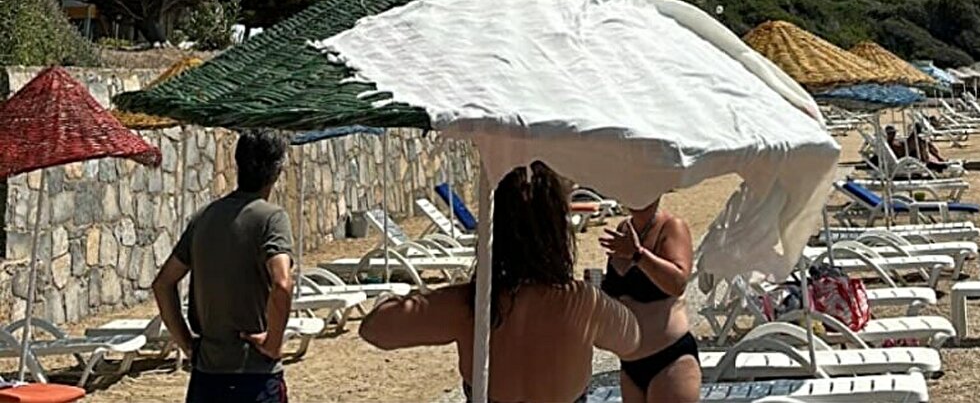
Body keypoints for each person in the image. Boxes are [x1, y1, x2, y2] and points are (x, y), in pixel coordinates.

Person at [361, 161, 643, 403]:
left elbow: (375, 329)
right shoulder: (581, 303)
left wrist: (395, 298)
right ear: (558, 233)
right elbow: (632, 340)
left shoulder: (473, 305)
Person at [153, 128, 294, 403]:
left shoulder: (204, 218)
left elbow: (163, 284)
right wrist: (273, 343)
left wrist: (187, 344)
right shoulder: (272, 219)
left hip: (207, 375)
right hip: (254, 372)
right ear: (277, 171)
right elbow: (282, 283)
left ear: (238, 165)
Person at [600, 195, 700, 403]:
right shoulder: (624, 230)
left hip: (669, 358)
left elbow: (678, 283)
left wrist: (638, 255)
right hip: (630, 364)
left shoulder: (672, 227)